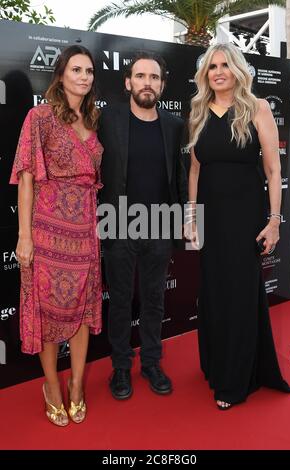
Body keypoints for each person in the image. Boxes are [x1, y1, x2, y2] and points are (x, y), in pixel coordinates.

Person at [186, 43, 290, 410]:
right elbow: (196, 169)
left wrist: (275, 221)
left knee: (240, 295)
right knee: (215, 294)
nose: (218, 72)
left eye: (225, 65)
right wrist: (191, 216)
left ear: (237, 70)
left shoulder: (257, 107)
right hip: (211, 219)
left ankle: (237, 380)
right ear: (205, 75)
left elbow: (273, 169)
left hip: (245, 217)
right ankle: (218, 365)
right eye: (212, 67)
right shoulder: (198, 112)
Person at [10, 45, 103, 426]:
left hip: (85, 229)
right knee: (49, 313)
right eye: (76, 69)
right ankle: (51, 385)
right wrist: (24, 236)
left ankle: (77, 385)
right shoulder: (41, 117)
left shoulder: (94, 120)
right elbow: (26, 178)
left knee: (82, 309)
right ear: (61, 74)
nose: (84, 76)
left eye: (89, 71)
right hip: (47, 229)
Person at [98, 51, 187, 400]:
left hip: (161, 223)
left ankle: (151, 361)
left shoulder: (175, 125)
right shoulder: (108, 119)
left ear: (162, 85)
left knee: (154, 299)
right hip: (117, 221)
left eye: (153, 78)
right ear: (128, 82)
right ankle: (120, 367)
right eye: (140, 76)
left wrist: (189, 224)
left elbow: (182, 176)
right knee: (119, 300)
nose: (147, 83)